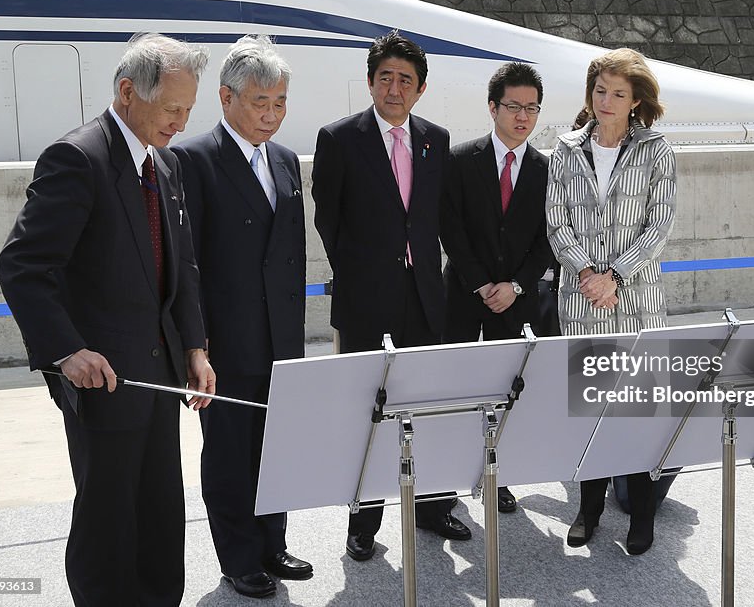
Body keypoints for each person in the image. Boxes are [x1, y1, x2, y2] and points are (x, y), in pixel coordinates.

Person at [0, 33, 216, 606]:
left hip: (160, 375)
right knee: (108, 520)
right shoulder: (78, 159)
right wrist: (67, 351)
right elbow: (22, 266)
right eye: (172, 109)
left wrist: (194, 347)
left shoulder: (164, 164)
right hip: (103, 379)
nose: (180, 122)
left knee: (163, 515)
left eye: (189, 110)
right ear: (127, 92)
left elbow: (182, 266)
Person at [312, 30, 469, 561]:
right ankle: (363, 524)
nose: (394, 88)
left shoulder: (435, 139)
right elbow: (327, 220)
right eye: (386, 77)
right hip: (366, 302)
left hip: (425, 297)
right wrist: (361, 275)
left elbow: (440, 220)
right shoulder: (339, 139)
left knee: (426, 407)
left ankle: (433, 509)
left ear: (420, 89)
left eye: (406, 79)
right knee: (368, 414)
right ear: (371, 81)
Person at [172, 35, 311, 599]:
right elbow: (187, 262)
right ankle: (238, 557)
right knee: (230, 455)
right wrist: (195, 346)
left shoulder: (283, 159)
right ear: (226, 98)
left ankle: (272, 542)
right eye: (261, 102)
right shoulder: (193, 159)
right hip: (226, 343)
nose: (272, 115)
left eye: (280, 102)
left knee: (278, 447)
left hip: (282, 339)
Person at [546, 48, 677, 556]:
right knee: (591, 412)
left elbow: (659, 226)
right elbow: (556, 223)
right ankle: (589, 511)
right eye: (600, 90)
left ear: (635, 99)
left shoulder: (657, 151)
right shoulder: (565, 150)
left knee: (637, 415)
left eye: (618, 93)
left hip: (636, 302)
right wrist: (586, 272)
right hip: (581, 303)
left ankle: (642, 517)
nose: (606, 100)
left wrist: (615, 277)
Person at [440, 62, 553, 513]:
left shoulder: (549, 170)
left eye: (532, 108)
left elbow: (550, 237)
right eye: (513, 106)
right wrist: (482, 282)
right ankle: (446, 477)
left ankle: (496, 474)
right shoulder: (460, 159)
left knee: (507, 391)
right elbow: (450, 228)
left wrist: (517, 286)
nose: (522, 116)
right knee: (457, 385)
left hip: (516, 301)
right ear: (493, 107)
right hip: (465, 295)